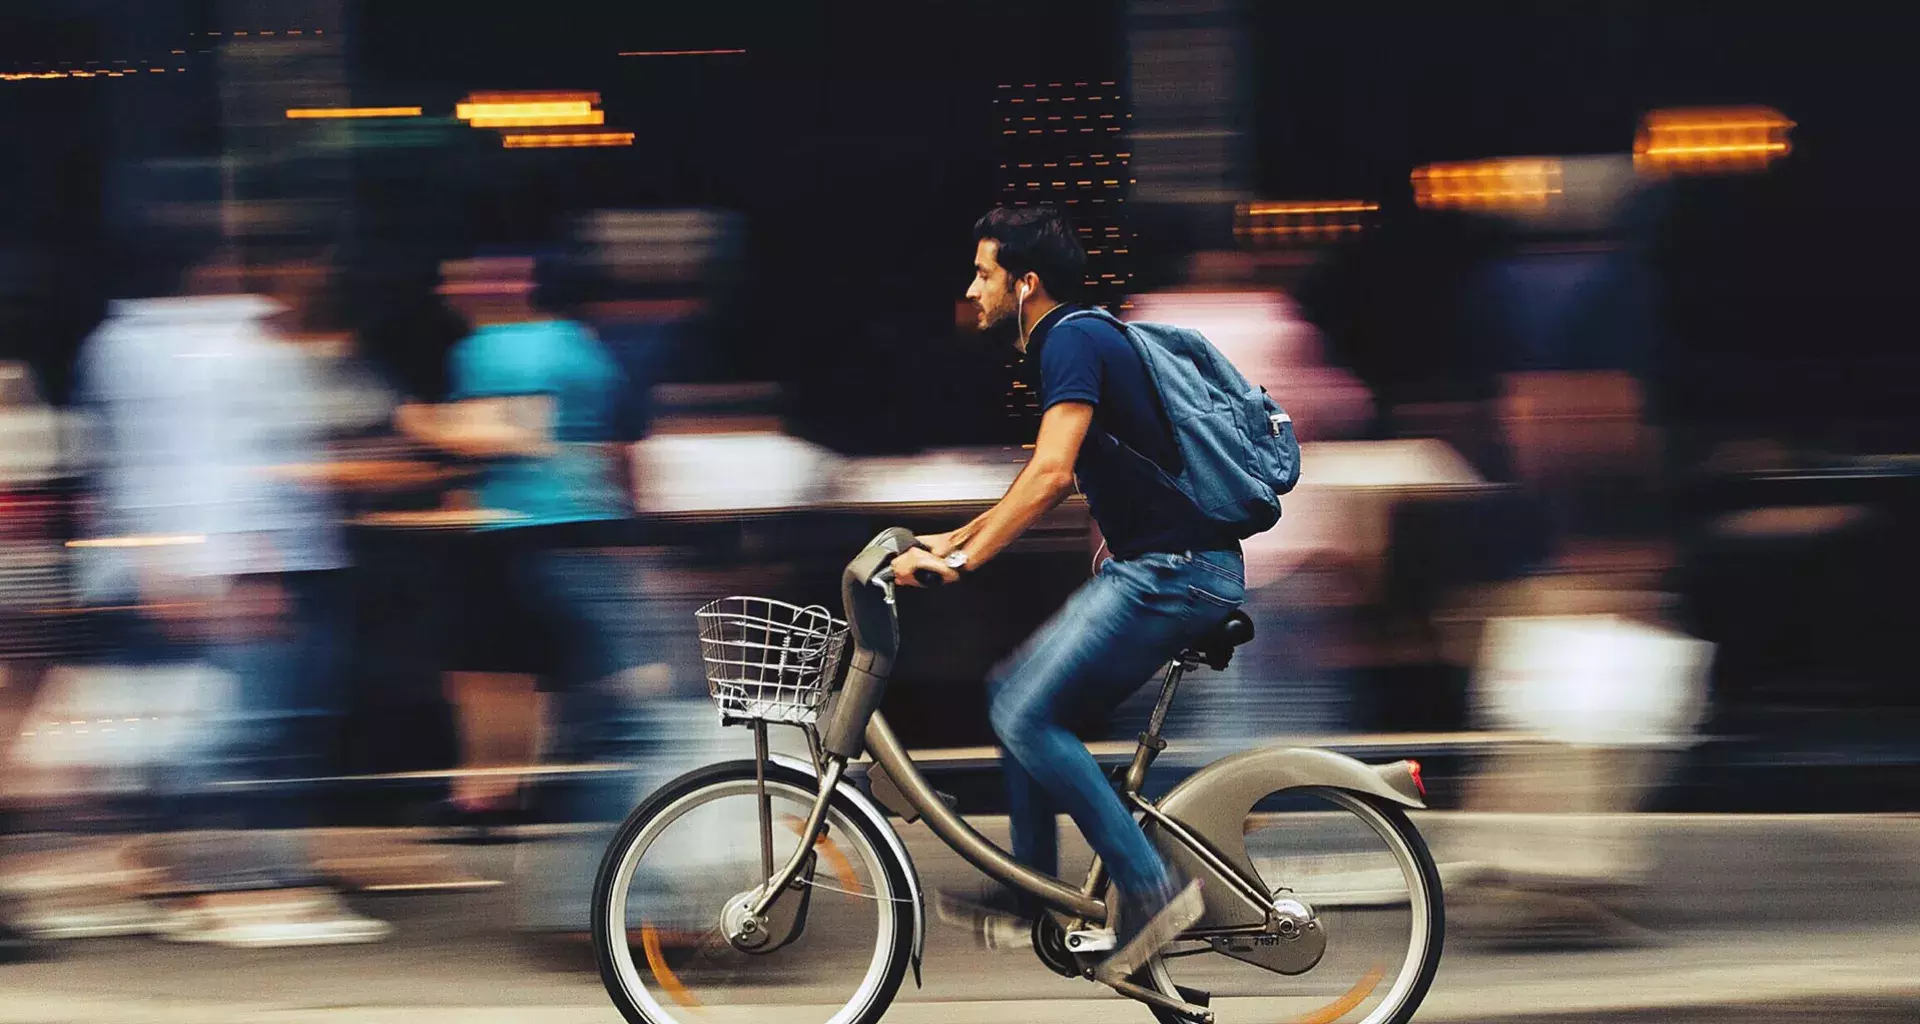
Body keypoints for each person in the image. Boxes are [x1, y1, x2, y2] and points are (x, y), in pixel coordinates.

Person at [889, 207, 1245, 983]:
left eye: (984, 272)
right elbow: (1045, 483)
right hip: (1157, 567)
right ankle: (1033, 892)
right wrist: (953, 538)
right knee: (1011, 690)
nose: (971, 287)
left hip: (1174, 570)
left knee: (1024, 712)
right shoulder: (1076, 337)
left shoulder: (1072, 339)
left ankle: (1152, 889)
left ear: (1026, 284)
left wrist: (965, 563)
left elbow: (1050, 473)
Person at [73, 250, 387, 947]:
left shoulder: (153, 343)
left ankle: (258, 876)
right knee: (243, 728)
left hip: (262, 559)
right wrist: (234, 563)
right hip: (242, 562)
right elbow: (194, 464)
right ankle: (228, 885)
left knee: (268, 724)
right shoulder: (195, 347)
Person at [395, 255, 655, 937]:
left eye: (461, 278)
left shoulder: (494, 348)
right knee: (554, 685)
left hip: (527, 537)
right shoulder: (581, 344)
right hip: (585, 530)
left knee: (535, 682)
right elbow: (616, 445)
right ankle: (500, 801)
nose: (448, 290)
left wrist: (413, 421)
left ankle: (529, 829)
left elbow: (509, 433)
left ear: (503, 286)